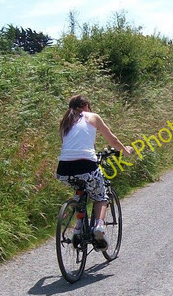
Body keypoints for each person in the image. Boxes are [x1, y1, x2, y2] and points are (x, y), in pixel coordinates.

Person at [56, 95, 132, 249]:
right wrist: (125, 151)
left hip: (63, 169)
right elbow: (113, 141)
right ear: (85, 106)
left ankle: (78, 228)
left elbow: (71, 146)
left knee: (80, 193)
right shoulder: (93, 117)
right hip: (86, 165)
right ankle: (99, 228)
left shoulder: (65, 122)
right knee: (100, 196)